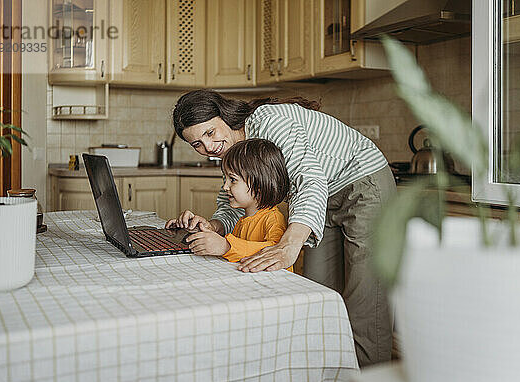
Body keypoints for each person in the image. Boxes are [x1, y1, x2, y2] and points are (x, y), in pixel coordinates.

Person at [170, 89, 397, 367]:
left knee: (365, 299)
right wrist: (215, 226)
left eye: (210, 132)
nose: (209, 147)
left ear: (225, 116)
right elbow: (240, 196)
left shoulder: (270, 121)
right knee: (315, 292)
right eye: (197, 144)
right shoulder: (234, 146)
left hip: (363, 184)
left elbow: (308, 180)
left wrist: (289, 245)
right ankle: (327, 375)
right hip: (321, 199)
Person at [166, 138, 293, 271]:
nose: (225, 186)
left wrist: (226, 246)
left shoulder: (273, 219)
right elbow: (239, 252)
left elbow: (274, 251)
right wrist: (197, 232)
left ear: (258, 186)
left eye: (232, 179)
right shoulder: (242, 221)